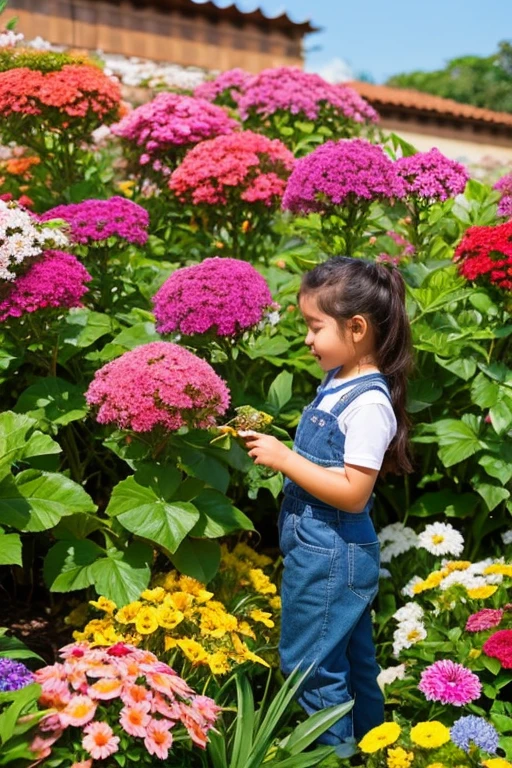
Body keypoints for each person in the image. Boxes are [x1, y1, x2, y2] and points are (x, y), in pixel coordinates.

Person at [239, 256, 413, 757]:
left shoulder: (369, 404)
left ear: (357, 328)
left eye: (315, 327)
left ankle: (331, 756)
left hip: (332, 552)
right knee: (351, 661)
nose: (308, 339)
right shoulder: (338, 380)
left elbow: (354, 491)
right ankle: (369, 750)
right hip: (323, 548)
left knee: (310, 666)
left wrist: (285, 459)